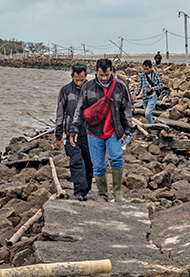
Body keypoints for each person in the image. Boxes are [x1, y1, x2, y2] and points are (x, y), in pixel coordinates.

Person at [68, 59, 134, 202]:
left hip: (113, 131)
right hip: (93, 132)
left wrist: (128, 130)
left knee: (117, 159)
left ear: (111, 71)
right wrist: (74, 130)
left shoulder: (120, 87)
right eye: (101, 75)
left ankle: (117, 193)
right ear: (96, 71)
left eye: (107, 75)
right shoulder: (88, 87)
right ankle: (102, 195)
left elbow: (127, 109)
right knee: (98, 166)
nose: (104, 78)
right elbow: (80, 109)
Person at [55, 64, 93, 201]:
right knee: (76, 161)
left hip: (90, 133)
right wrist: (58, 135)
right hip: (71, 134)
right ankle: (79, 192)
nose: (79, 83)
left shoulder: (92, 89)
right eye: (76, 80)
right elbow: (60, 113)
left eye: (81, 80)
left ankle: (86, 188)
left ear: (86, 77)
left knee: (89, 165)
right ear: (71, 76)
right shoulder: (65, 91)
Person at [133, 59, 163, 125]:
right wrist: (136, 94)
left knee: (147, 113)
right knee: (148, 114)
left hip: (153, 96)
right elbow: (140, 85)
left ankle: (151, 126)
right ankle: (151, 126)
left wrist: (152, 89)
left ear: (151, 67)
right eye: (144, 69)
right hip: (145, 97)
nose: (145, 71)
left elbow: (160, 86)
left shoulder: (156, 75)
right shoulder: (142, 75)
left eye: (147, 69)